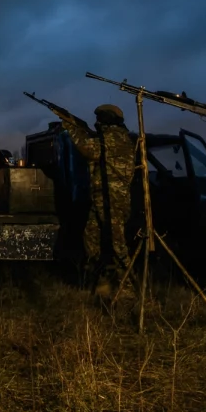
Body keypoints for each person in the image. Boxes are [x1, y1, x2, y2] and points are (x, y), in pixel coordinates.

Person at [56, 103, 138, 299]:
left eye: (100, 118)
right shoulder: (117, 137)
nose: (96, 123)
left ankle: (128, 288)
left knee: (118, 245)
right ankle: (100, 281)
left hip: (113, 200)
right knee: (91, 236)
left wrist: (70, 126)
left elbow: (87, 149)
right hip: (103, 199)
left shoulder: (114, 138)